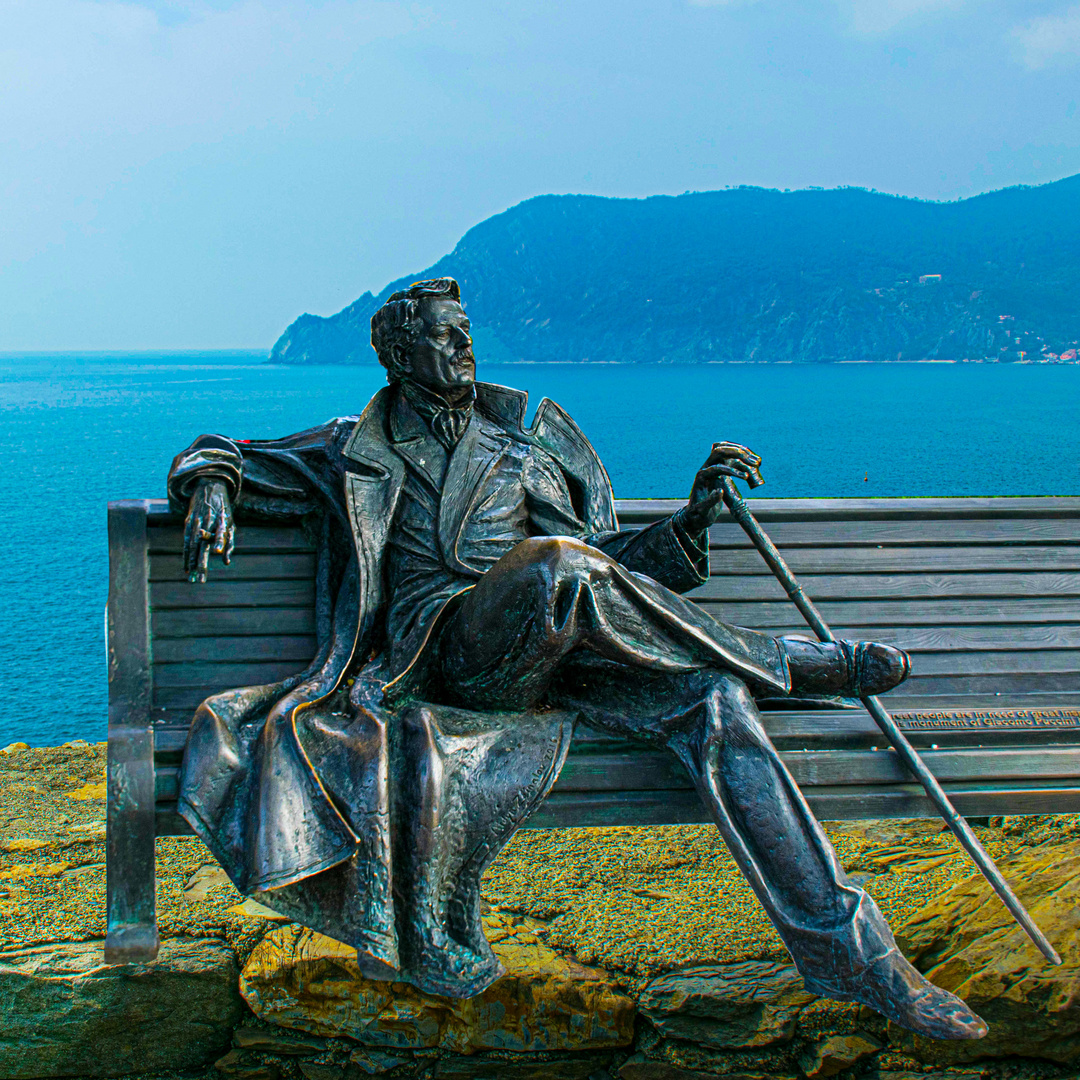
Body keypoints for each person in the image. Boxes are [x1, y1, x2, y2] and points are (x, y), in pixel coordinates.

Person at [170, 277, 986, 1038]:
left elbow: (608, 571)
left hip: (559, 653)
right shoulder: (356, 448)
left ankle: (856, 956)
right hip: (447, 656)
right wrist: (209, 486)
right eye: (446, 338)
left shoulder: (520, 449)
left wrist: (692, 522)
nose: (464, 350)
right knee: (553, 566)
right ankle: (787, 663)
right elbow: (226, 451)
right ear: (399, 354)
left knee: (713, 701)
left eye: (467, 335)